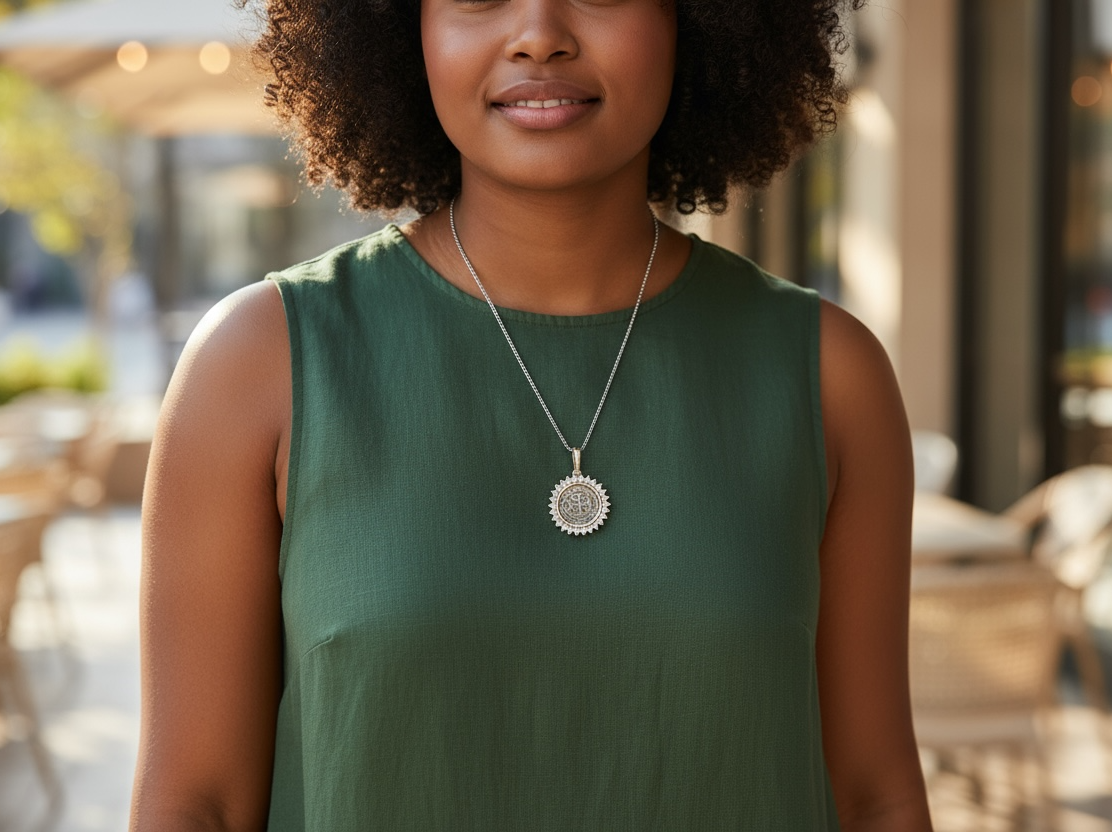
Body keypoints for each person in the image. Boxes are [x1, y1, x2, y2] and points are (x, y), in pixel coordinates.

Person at [130, 0, 932, 829]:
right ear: (405, 28)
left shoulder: (828, 373)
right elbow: (196, 805)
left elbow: (876, 797)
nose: (539, 32)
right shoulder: (262, 363)